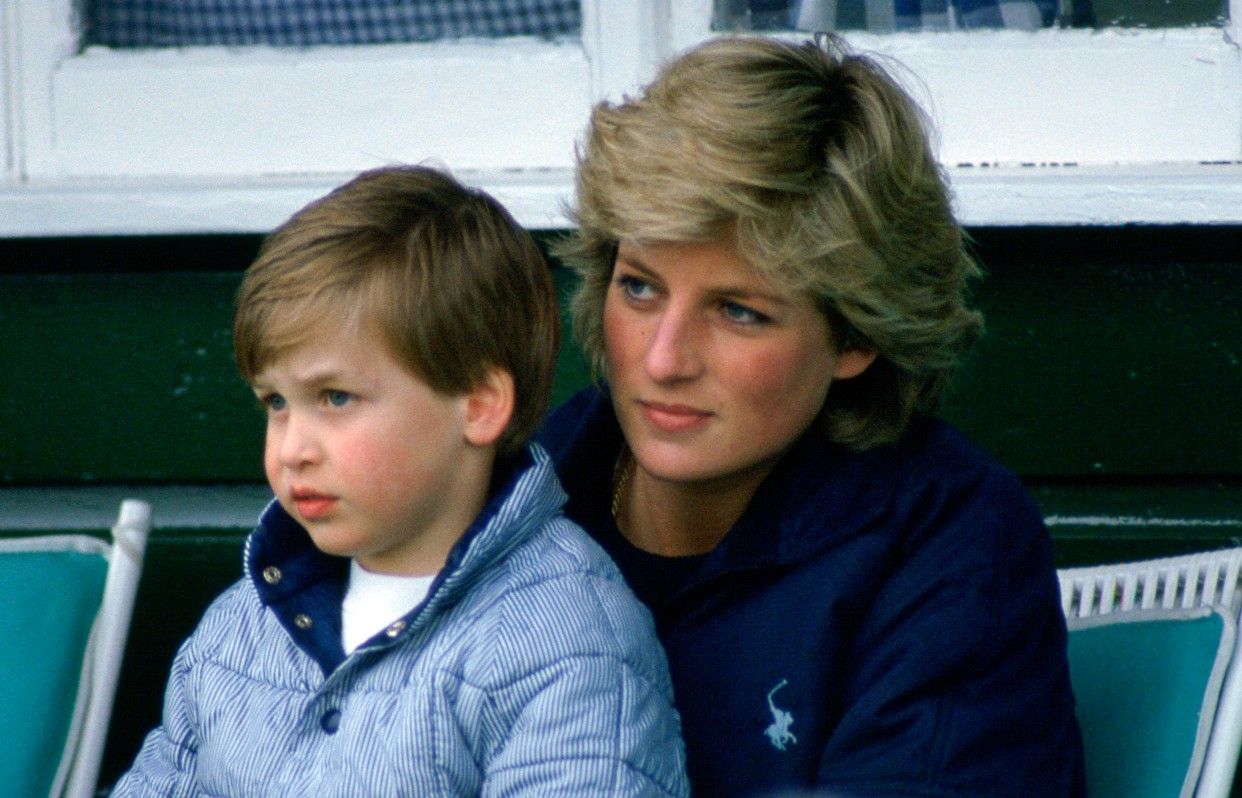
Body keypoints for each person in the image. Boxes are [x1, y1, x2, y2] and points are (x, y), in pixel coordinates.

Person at [537, 35, 1086, 797]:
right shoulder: (523, 496)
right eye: (639, 288)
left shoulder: (950, 544)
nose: (663, 359)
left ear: (856, 334)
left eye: (737, 311)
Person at [113, 166, 689, 797]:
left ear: (478, 404)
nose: (293, 449)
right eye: (276, 403)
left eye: (335, 398)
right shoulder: (240, 628)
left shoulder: (563, 642)